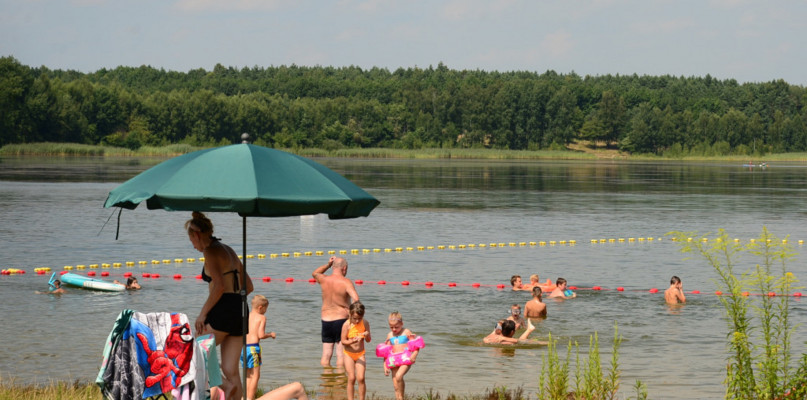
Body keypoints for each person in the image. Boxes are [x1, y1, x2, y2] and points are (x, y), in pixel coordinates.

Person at [187, 211, 254, 400]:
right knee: (230, 369)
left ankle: (225, 384)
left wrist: (202, 314)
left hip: (222, 309)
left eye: (192, 240)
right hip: (240, 309)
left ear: (197, 235)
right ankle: (231, 386)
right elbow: (248, 286)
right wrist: (233, 302)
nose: (193, 246)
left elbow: (219, 286)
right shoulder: (228, 249)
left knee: (194, 351)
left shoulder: (210, 251)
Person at [312, 256, 359, 367]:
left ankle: (327, 379)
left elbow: (315, 273)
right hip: (341, 320)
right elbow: (356, 299)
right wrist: (354, 317)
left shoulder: (323, 279)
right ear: (344, 268)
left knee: (326, 354)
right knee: (340, 354)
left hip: (326, 319)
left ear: (333, 267)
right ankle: (339, 381)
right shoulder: (346, 282)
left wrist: (328, 264)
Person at [380, 311, 423, 400]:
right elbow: (386, 352)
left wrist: (414, 355)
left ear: (402, 324)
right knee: (396, 384)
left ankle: (402, 397)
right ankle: (399, 398)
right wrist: (385, 366)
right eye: (391, 327)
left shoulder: (406, 332)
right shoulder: (389, 335)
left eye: (396, 327)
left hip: (405, 359)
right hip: (394, 360)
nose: (394, 329)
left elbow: (416, 345)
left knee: (399, 376)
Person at [243, 294, 276, 400]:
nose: (266, 311)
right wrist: (270, 334)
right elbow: (261, 335)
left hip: (243, 348)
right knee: (256, 375)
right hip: (253, 348)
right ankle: (250, 397)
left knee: (248, 374)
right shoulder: (261, 318)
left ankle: (245, 396)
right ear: (260, 307)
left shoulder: (246, 315)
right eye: (266, 309)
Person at [341, 301, 371, 400]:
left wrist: (366, 335)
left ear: (363, 315)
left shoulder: (365, 323)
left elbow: (368, 340)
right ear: (350, 314)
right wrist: (352, 341)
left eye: (359, 318)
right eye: (355, 318)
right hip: (348, 354)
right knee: (351, 378)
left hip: (360, 354)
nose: (357, 321)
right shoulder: (346, 325)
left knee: (361, 378)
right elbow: (343, 341)